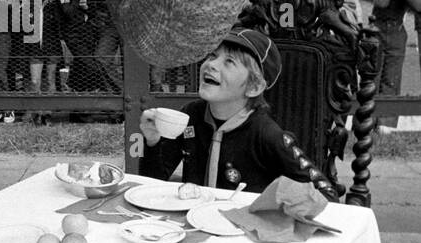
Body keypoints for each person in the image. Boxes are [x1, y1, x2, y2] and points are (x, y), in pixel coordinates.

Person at [140, 27, 339, 197]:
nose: (211, 65)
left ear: (254, 87)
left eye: (229, 62)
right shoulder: (191, 116)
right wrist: (153, 142)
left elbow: (326, 193)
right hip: (194, 226)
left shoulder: (266, 134)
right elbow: (154, 182)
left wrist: (275, 208)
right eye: (212, 55)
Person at [369, 0, 421, 129]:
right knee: (371, 79)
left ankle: (386, 128)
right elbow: (380, 0)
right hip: (376, 31)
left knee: (392, 80)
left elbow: (419, 4)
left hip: (397, 33)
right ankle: (367, 124)